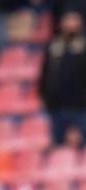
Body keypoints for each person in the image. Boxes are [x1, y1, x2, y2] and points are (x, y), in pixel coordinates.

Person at [38, 10, 86, 149]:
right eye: (68, 20)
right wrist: (44, 95)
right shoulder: (54, 46)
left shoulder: (83, 46)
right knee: (57, 146)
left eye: (74, 20)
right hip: (57, 105)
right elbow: (45, 72)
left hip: (81, 106)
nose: (71, 24)